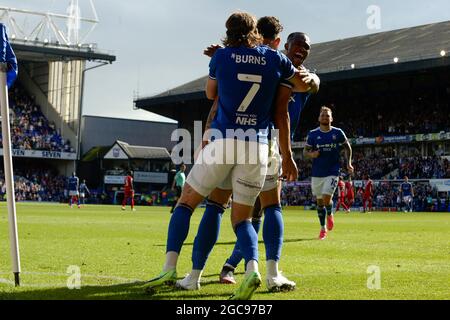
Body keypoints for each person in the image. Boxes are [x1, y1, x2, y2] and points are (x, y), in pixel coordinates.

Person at [143, 11, 309, 300]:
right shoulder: (275, 59)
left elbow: (211, 95)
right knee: (246, 218)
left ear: (228, 32)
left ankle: (174, 269)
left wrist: (221, 62)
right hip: (258, 144)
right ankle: (257, 270)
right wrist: (313, 81)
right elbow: (301, 85)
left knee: (188, 204)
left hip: (224, 138)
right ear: (257, 32)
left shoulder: (222, 57)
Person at [217, 28, 319, 289]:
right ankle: (265, 272)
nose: (302, 49)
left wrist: (315, 80)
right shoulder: (274, 67)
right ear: (285, 45)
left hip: (271, 143)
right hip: (264, 141)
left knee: (259, 210)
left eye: (306, 47)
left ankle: (234, 265)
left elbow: (314, 84)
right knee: (260, 209)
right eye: (297, 44)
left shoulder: (303, 76)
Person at [303, 107, 353, 240]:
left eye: (327, 116)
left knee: (326, 198)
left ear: (331, 118)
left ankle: (330, 214)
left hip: (333, 171)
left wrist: (348, 163)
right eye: (323, 115)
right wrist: (312, 154)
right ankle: (322, 228)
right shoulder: (313, 134)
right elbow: (305, 152)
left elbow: (348, 147)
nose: (325, 117)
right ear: (319, 118)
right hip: (317, 172)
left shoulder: (338, 132)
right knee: (320, 202)